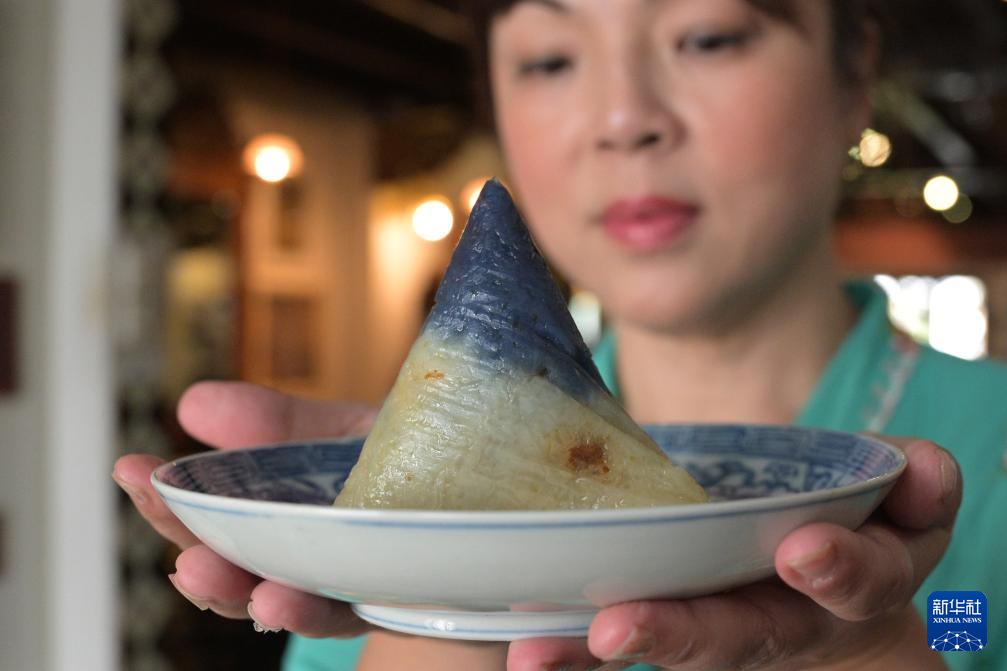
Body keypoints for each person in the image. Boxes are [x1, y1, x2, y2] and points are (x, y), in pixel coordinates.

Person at [113, 0, 1007, 669]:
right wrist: (438, 589)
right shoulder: (358, 562)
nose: (623, 118)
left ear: (853, 73)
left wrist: (875, 651)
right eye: (548, 59)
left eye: (707, 37)